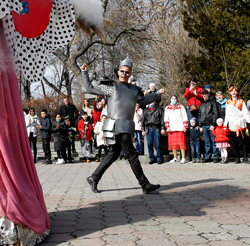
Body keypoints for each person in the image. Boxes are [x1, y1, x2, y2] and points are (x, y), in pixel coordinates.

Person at [81, 57, 163, 194]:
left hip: (126, 126)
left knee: (113, 154)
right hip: (116, 126)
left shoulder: (134, 90)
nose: (124, 74)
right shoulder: (112, 87)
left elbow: (144, 100)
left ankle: (94, 178)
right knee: (132, 154)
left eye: (127, 72)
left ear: (130, 74)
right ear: (118, 72)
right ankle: (144, 184)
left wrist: (157, 94)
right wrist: (84, 73)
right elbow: (90, 88)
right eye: (122, 71)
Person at [224, 87, 250, 164]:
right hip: (232, 124)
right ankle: (237, 158)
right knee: (234, 142)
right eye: (232, 91)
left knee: (243, 141)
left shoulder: (241, 101)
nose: (234, 92)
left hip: (241, 123)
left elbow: (245, 112)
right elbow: (227, 114)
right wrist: (225, 124)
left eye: (235, 91)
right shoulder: (228, 102)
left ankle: (245, 157)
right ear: (230, 93)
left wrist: (249, 120)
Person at [164, 95, 189, 163]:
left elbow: (185, 116)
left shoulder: (181, 107)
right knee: (173, 144)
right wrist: (167, 127)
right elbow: (166, 118)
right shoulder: (167, 108)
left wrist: (185, 126)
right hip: (172, 128)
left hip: (180, 128)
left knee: (181, 143)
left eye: (175, 98)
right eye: (172, 98)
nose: (173, 100)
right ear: (170, 99)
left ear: (177, 99)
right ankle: (175, 158)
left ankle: (183, 158)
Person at [198, 90, 221, 163]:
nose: (204, 95)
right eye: (203, 94)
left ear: (208, 95)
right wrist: (200, 125)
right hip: (204, 125)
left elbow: (215, 114)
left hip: (211, 125)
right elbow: (199, 115)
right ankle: (207, 156)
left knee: (214, 141)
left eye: (205, 94)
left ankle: (216, 156)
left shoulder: (212, 103)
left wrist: (213, 124)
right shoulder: (201, 105)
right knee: (207, 142)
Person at [143, 99, 164, 165]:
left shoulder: (159, 109)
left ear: (155, 102)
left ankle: (159, 158)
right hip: (148, 128)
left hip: (156, 128)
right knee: (149, 144)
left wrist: (163, 128)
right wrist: (143, 130)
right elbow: (143, 121)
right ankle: (152, 158)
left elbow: (162, 120)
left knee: (158, 144)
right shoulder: (145, 110)